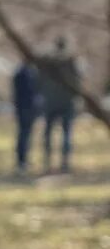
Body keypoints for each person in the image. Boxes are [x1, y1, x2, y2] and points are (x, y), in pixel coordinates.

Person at [38, 36, 84, 175]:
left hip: (50, 101)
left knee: (48, 133)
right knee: (66, 133)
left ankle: (47, 163)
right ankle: (64, 163)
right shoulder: (71, 61)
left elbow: (39, 79)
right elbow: (77, 81)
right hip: (66, 101)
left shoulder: (47, 60)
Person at [11, 56, 42, 174]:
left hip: (24, 108)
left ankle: (23, 159)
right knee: (24, 134)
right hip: (25, 108)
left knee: (25, 134)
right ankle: (21, 160)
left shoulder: (23, 72)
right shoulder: (25, 74)